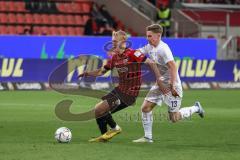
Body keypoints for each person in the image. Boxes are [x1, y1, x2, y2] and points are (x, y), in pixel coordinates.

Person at [78, 30, 161, 142]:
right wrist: (87, 73)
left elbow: (151, 62)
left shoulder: (133, 54)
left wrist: (159, 78)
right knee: (98, 111)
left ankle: (114, 129)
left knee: (101, 109)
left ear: (123, 41)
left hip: (129, 94)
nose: (113, 43)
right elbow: (102, 71)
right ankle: (106, 135)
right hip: (120, 90)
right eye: (112, 41)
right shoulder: (115, 58)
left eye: (115, 41)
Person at [133, 24, 205, 143]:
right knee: (145, 108)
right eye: (147, 36)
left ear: (158, 35)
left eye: (150, 36)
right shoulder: (149, 47)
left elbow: (173, 66)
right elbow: (137, 52)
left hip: (172, 86)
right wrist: (128, 53)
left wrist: (172, 84)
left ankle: (196, 108)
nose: (148, 38)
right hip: (160, 84)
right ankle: (148, 137)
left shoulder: (163, 48)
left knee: (174, 118)